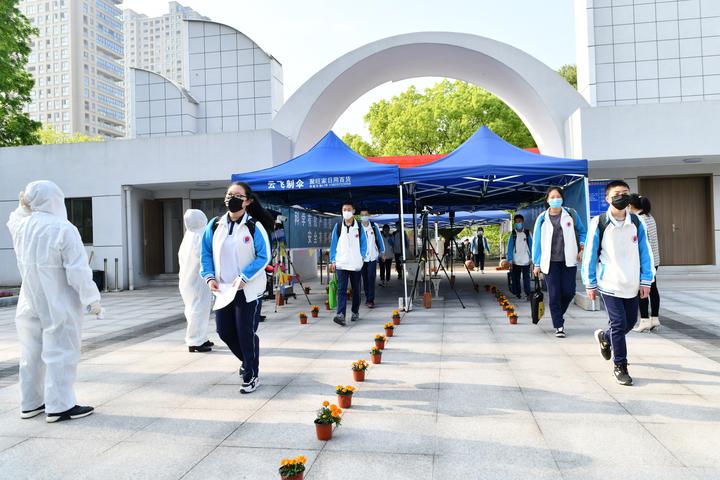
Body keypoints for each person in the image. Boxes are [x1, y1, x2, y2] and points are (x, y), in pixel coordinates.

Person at [7, 180, 100, 423]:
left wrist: (23, 206)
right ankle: (60, 406)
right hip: (59, 298)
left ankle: (31, 403)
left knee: (31, 351)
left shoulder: (22, 225)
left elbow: (13, 218)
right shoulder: (63, 228)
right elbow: (77, 270)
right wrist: (91, 298)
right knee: (61, 349)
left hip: (29, 298)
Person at [200, 182, 271, 394]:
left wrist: (244, 277)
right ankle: (248, 360)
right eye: (230, 194)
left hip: (247, 290)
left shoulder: (254, 226)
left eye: (238, 195)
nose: (233, 198)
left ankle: (251, 374)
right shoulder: (214, 225)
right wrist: (209, 276)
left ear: (247, 201)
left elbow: (264, 255)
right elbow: (205, 253)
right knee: (224, 331)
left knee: (245, 332)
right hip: (223, 290)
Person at [582, 181, 655, 386]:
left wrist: (646, 280)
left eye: (625, 193)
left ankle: (604, 337)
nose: (621, 196)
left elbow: (645, 253)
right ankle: (620, 366)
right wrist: (590, 283)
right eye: (617, 193)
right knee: (618, 323)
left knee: (629, 322)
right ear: (607, 198)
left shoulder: (637, 222)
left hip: (631, 283)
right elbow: (589, 254)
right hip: (609, 283)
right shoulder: (599, 222)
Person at [532, 186, 587, 338]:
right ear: (547, 200)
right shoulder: (542, 218)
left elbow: (583, 232)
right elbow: (537, 242)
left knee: (569, 292)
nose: (556, 199)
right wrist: (536, 264)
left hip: (569, 261)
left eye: (558, 197)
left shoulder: (571, 214)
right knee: (554, 294)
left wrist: (582, 248)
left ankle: (557, 314)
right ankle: (559, 325)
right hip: (550, 263)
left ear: (562, 198)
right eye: (552, 197)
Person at [179, 209, 213, 353]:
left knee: (193, 308)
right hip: (198, 279)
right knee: (199, 309)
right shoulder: (199, 236)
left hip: (187, 280)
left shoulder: (188, 236)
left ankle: (201, 336)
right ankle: (195, 341)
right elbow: (204, 256)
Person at [329, 200, 367, 326]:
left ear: (354, 211)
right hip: (341, 263)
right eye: (344, 209)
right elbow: (333, 244)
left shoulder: (359, 227)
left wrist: (361, 257)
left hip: (355, 264)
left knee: (356, 290)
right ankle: (341, 315)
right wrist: (333, 260)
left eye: (348, 209)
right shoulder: (338, 226)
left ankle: (355, 311)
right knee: (341, 289)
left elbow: (364, 244)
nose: (346, 212)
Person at [629, 194, 661, 333]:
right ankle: (654, 319)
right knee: (653, 289)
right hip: (655, 260)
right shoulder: (649, 216)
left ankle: (644, 320)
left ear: (631, 206)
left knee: (642, 289)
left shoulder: (638, 219)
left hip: (644, 261)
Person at [359, 209, 384, 308]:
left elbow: (380, 240)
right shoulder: (357, 227)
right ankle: (367, 297)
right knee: (365, 279)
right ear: (360, 216)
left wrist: (382, 252)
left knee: (371, 278)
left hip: (373, 257)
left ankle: (370, 300)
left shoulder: (374, 226)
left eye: (366, 214)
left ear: (369, 215)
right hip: (362, 258)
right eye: (362, 215)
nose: (364, 216)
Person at [507, 215, 532, 299]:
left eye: (519, 221)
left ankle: (528, 293)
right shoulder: (513, 234)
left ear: (523, 222)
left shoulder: (527, 233)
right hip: (515, 260)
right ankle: (518, 293)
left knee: (526, 278)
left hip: (526, 260)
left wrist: (532, 258)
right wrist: (510, 259)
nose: (518, 223)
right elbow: (510, 247)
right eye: (516, 222)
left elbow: (531, 245)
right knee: (516, 278)